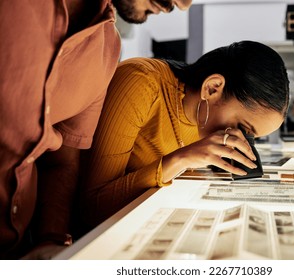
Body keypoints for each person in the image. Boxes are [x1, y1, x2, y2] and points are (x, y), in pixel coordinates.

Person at [0, 0, 192, 259]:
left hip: (18, 246)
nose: (183, 5)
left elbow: (63, 160)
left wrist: (51, 240)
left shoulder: (107, 48)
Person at [79, 40, 290, 230]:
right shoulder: (140, 82)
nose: (241, 139)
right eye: (242, 128)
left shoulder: (205, 125)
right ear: (212, 88)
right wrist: (180, 159)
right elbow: (92, 210)